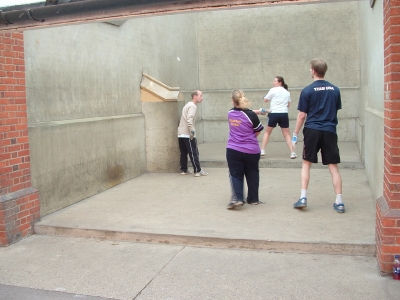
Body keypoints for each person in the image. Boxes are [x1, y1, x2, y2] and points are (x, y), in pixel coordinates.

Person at [292, 59, 344, 213]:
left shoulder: (307, 91)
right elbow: (335, 110)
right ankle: (339, 202)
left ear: (313, 71)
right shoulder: (335, 90)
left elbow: (302, 115)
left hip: (312, 130)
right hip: (329, 130)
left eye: (310, 69)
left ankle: (302, 198)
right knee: (333, 166)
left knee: (306, 163)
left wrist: (295, 134)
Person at [226, 90, 264, 209]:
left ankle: (238, 198)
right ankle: (253, 199)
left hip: (233, 149)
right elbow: (258, 130)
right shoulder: (251, 115)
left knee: (235, 174)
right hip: (252, 150)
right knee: (252, 173)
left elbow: (241, 113)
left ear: (232, 100)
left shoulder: (230, 113)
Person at [260, 76, 297, 159]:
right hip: (284, 114)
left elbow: (265, 100)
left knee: (267, 132)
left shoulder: (273, 90)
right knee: (287, 134)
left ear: (280, 82)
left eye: (275, 81)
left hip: (273, 113)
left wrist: (264, 96)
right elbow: (288, 105)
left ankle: (262, 150)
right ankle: (292, 152)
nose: (273, 82)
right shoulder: (287, 92)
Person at [177, 90, 208, 177]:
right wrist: (192, 131)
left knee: (183, 152)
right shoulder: (193, 106)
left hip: (181, 133)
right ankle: (197, 171)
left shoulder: (187, 104)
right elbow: (189, 119)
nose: (202, 98)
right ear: (195, 96)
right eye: (200, 96)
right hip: (188, 134)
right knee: (194, 152)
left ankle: (184, 169)